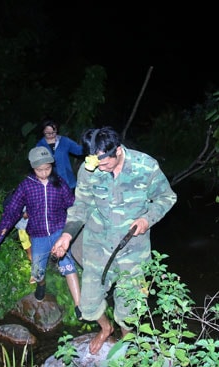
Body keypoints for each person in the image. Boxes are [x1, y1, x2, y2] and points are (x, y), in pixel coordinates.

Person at [51, 126, 177, 354]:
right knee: (87, 304)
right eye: (94, 161)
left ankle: (127, 340)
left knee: (130, 306)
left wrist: (147, 219)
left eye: (104, 161)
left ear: (117, 150)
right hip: (97, 244)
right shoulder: (90, 169)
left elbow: (167, 197)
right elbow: (80, 207)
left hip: (133, 248)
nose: (99, 166)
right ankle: (106, 328)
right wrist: (67, 235)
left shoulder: (145, 166)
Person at [0, 146, 82, 318]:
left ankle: (79, 305)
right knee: (37, 270)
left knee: (68, 266)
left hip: (59, 231)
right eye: (39, 170)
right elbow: (12, 210)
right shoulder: (26, 186)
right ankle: (41, 285)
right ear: (33, 168)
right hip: (38, 235)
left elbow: (72, 203)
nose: (44, 173)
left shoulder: (59, 182)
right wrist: (0, 233)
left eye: (47, 168)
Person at [36, 118, 83, 191]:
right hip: (49, 181)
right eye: (48, 133)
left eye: (53, 132)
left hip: (67, 180)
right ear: (43, 131)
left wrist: (91, 147)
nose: (51, 135)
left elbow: (79, 150)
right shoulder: (40, 145)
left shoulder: (64, 141)